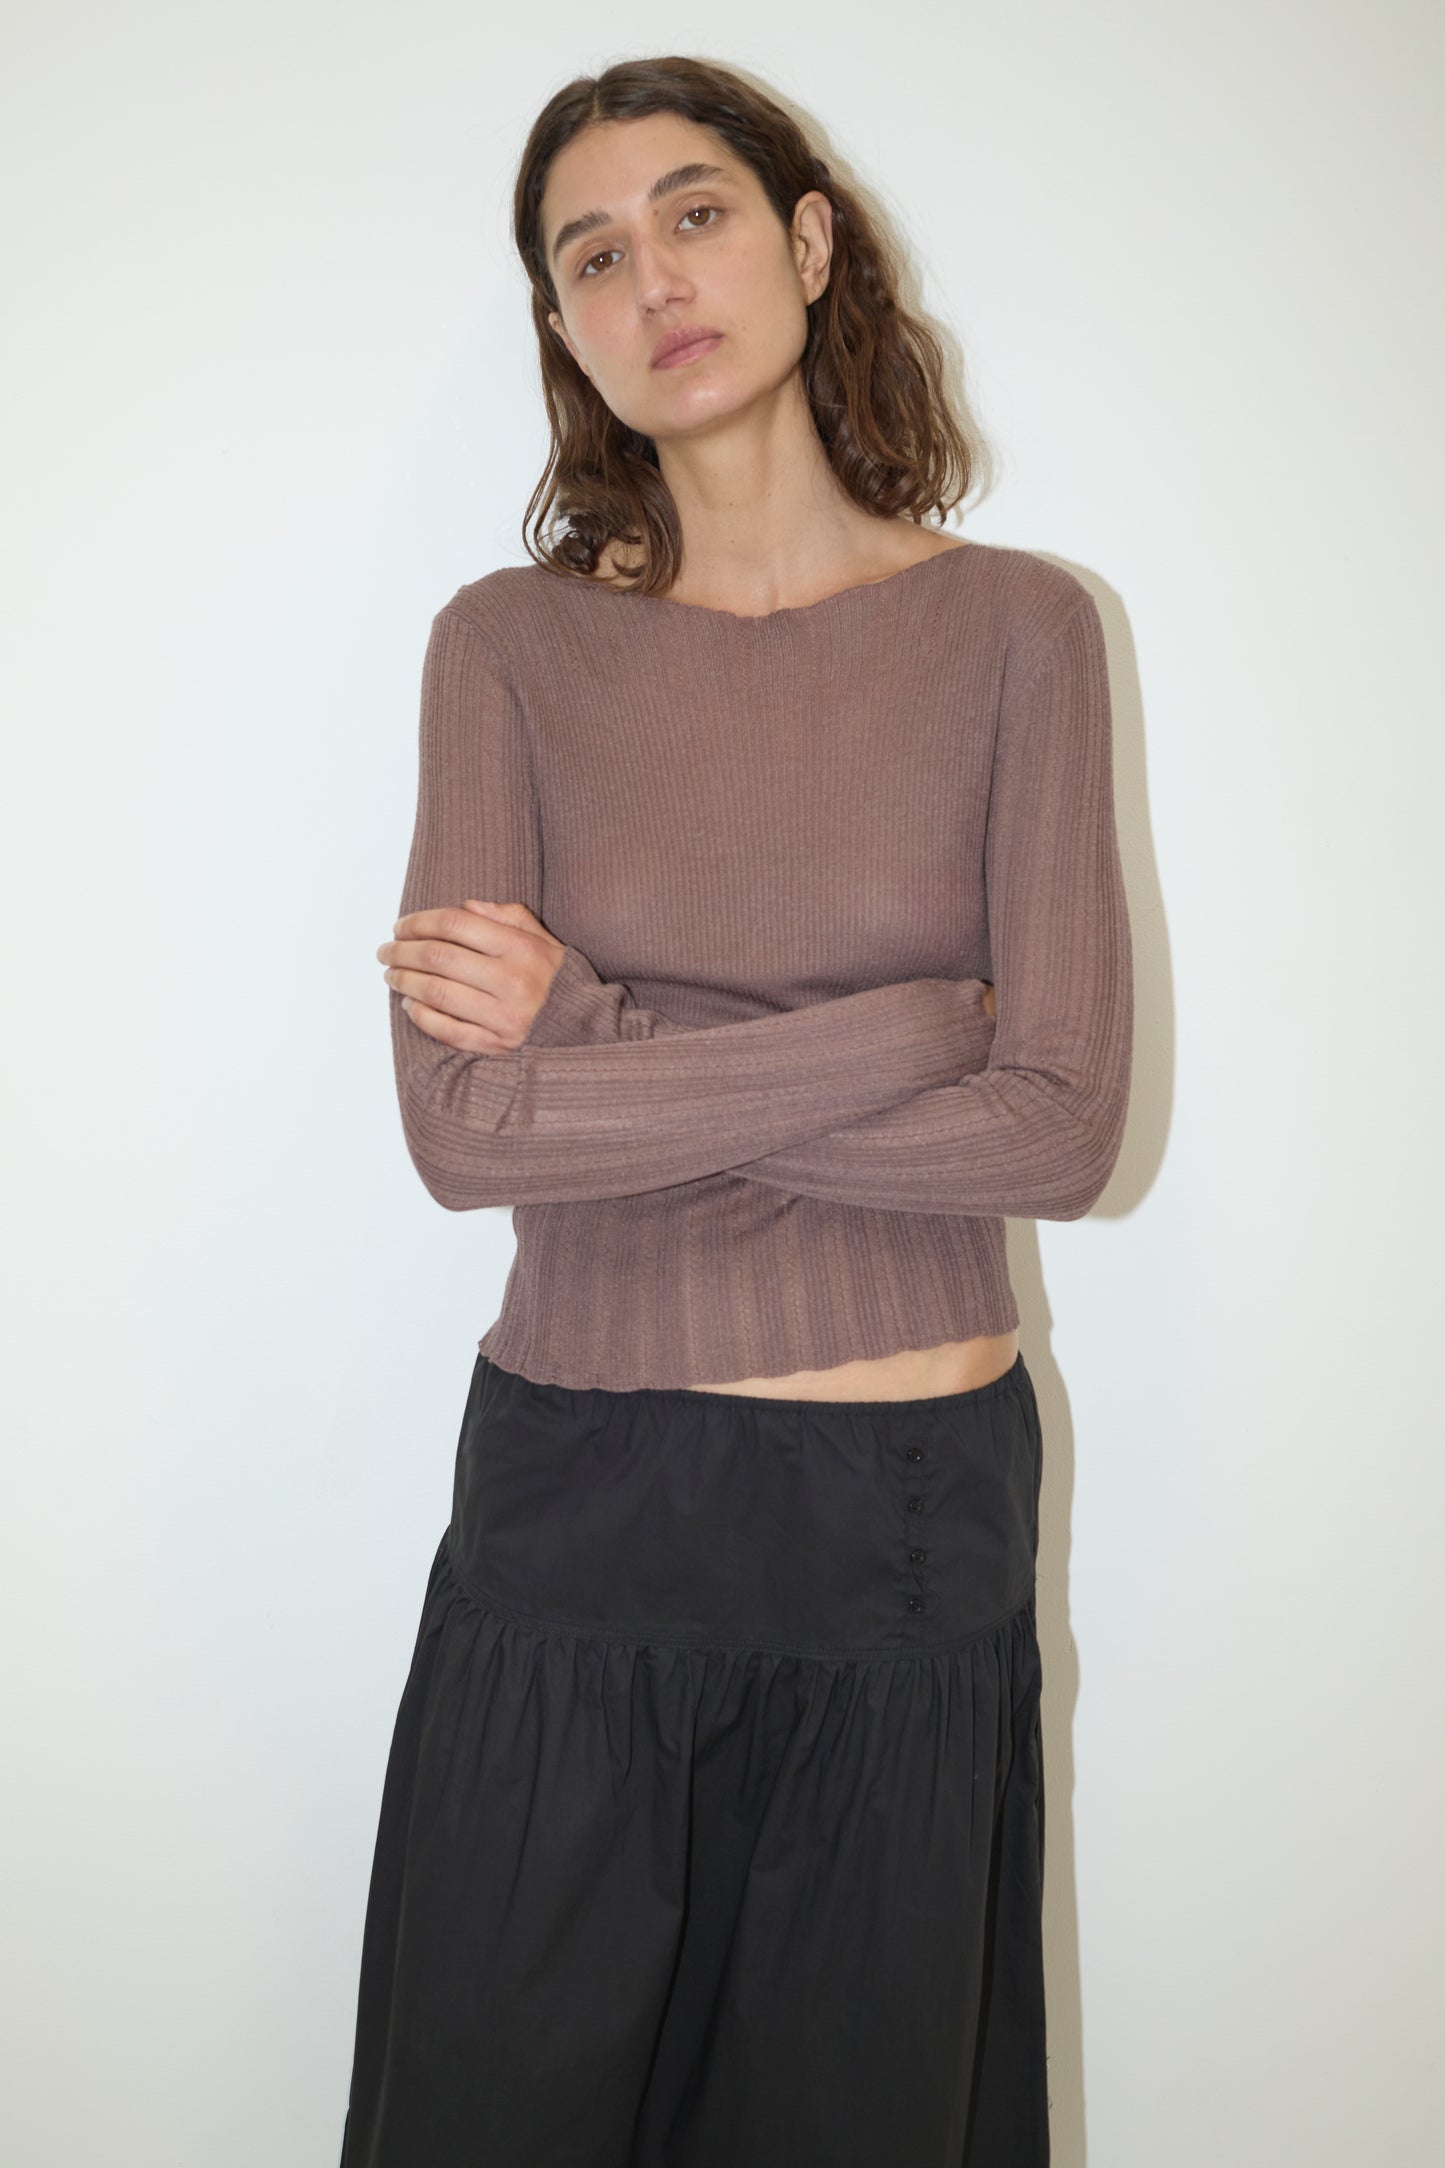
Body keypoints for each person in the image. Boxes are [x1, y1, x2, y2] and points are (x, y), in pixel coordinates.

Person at [339, 53, 1132, 2168]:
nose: (649, 274)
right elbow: (462, 1135)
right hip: (581, 1500)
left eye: (694, 211)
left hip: (899, 1527)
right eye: (589, 251)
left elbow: (1056, 1123)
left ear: (805, 241)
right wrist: (900, 1032)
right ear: (564, 328)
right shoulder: (503, 655)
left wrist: (589, 1036)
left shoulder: (1020, 636)